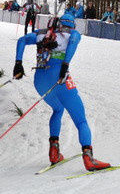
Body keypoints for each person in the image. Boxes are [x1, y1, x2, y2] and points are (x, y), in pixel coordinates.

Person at [12, 10, 110, 171]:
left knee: (57, 109)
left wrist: (18, 63)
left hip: (40, 80)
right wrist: (65, 65)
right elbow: (73, 42)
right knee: (81, 119)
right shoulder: (73, 34)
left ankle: (54, 152)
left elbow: (22, 40)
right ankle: (89, 157)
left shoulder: (43, 34)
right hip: (60, 77)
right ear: (71, 24)